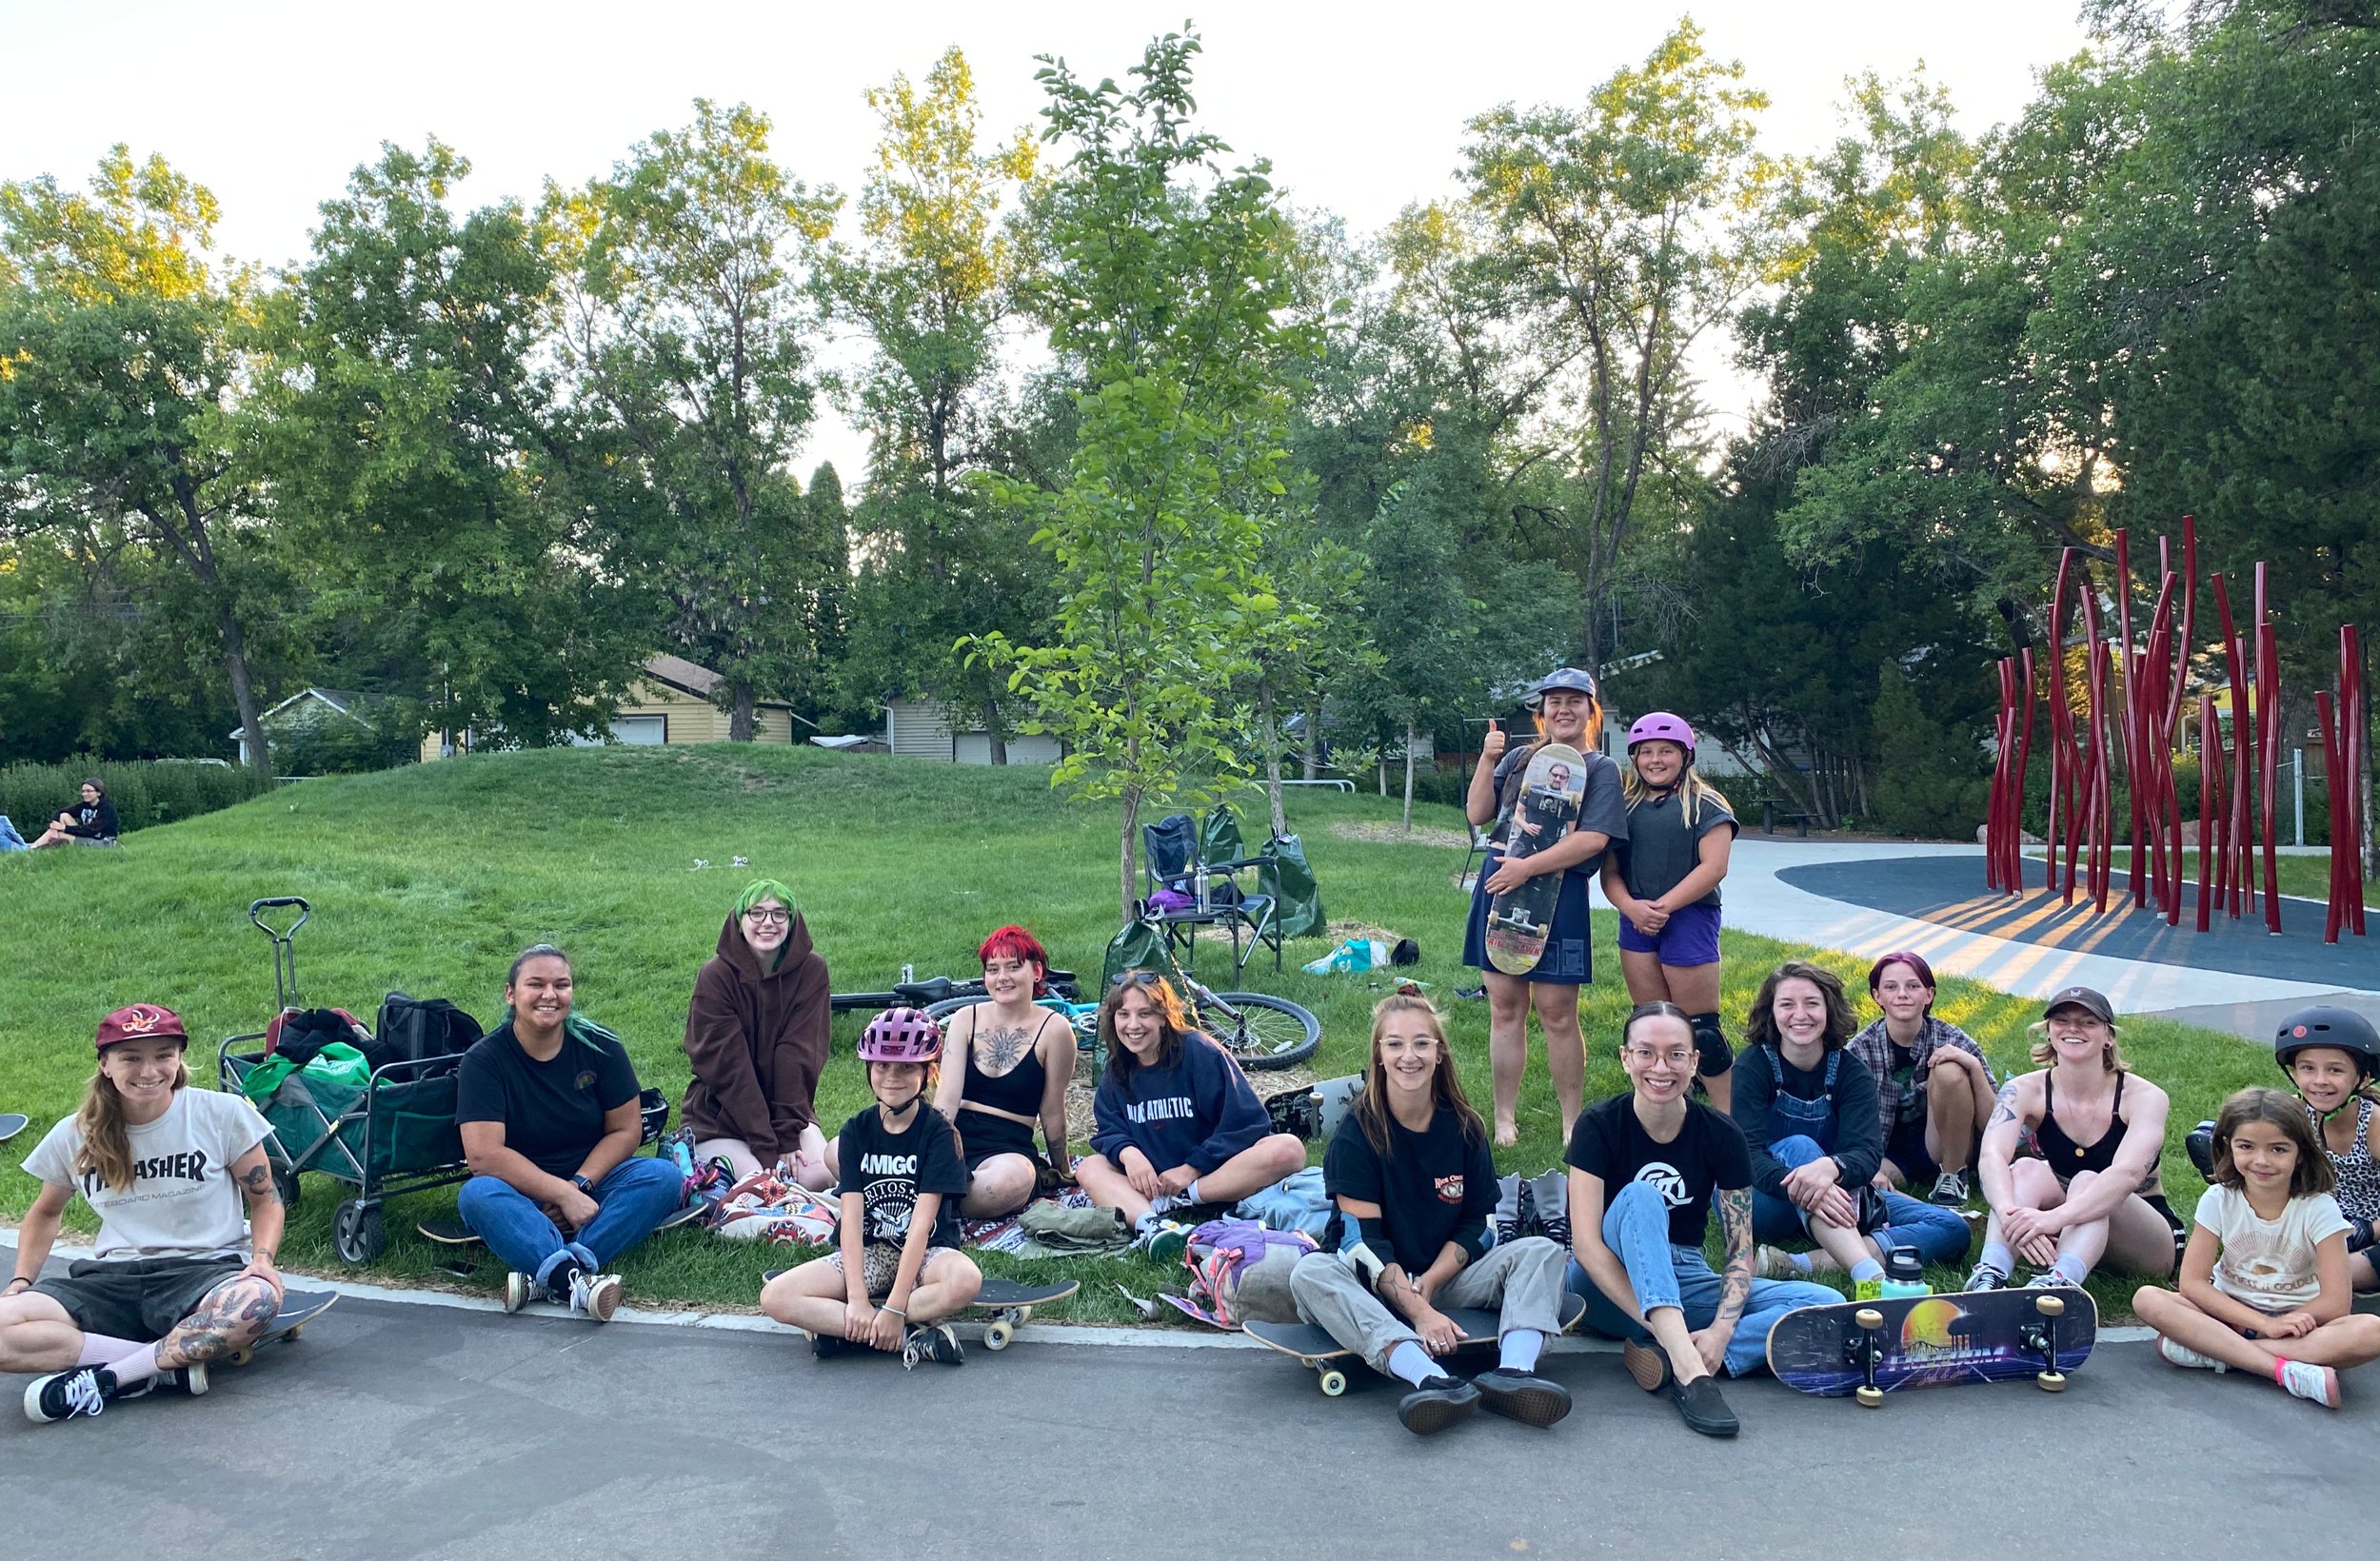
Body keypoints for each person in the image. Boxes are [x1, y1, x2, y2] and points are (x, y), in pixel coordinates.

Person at [1288, 993, 1574, 1436]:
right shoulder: (1356, 1133)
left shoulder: (1464, 1126)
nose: (1409, 1056)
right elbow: (1360, 1246)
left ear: (1440, 1054)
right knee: (1309, 1273)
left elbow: (1482, 1225)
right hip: (1375, 1291)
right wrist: (1419, 1311)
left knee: (1541, 1250)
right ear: (1379, 1056)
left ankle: (1513, 1375)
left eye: (1422, 1044)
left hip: (1443, 1281)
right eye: (1395, 1045)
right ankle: (1431, 1378)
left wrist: (1433, 1284)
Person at [1565, 1002, 1840, 1438]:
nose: (1661, 1067)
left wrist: (1721, 1331)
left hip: (1684, 1275)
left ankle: (1695, 1354)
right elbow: (1585, 1246)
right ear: (1625, 1058)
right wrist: (1659, 1321)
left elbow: (1739, 1251)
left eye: (1676, 1054)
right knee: (1640, 1196)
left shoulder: (1721, 1134)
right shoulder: (1598, 1125)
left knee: (1823, 1301)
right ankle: (1691, 1371)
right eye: (1646, 1053)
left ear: (1695, 1062)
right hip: (1604, 1284)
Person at [3, 1005, 286, 1423]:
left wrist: (261, 1262)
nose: (149, 1070)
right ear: (105, 1064)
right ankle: (164, 1367)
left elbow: (265, 1198)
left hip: (202, 1274)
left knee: (256, 1301)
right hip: (110, 1281)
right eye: (131, 1057)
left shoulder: (221, 1114)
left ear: (179, 1059)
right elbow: (45, 1213)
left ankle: (112, 1378)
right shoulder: (75, 1134)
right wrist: (20, 1283)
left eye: (163, 1055)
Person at [456, 944, 686, 1322]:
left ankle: (547, 1272)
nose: (550, 995)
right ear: (511, 994)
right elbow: (483, 1156)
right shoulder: (484, 1060)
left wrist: (578, 1187)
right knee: (477, 1194)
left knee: (663, 1177)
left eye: (561, 985)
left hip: (592, 1184)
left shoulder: (601, 1047)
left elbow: (626, 1129)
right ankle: (575, 1280)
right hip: (521, 1192)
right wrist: (560, 1193)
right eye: (536, 984)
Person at [2132, 1087, 2380, 1409]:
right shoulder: (2219, 1198)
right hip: (2228, 1315)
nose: (2261, 1161)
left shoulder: (2319, 1208)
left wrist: (2282, 1325)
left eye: (2278, 1149)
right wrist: (2262, 1324)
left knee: (2371, 1331)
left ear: (2301, 1152)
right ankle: (2285, 1370)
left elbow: (2335, 1304)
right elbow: (2193, 1283)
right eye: (2246, 1146)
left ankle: (2216, 1353)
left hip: (2299, 1326)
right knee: (2148, 1299)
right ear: (2227, 1146)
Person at [1463, 667, 1629, 1147]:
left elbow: (1593, 841)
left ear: (1590, 711)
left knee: (1558, 1012)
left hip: (1560, 896)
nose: (1563, 709)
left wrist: (1528, 867)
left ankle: (1572, 1123)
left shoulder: (1600, 770)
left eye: (1575, 701)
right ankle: (1504, 1120)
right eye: (1554, 701)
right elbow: (1478, 814)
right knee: (1504, 1006)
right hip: (1500, 887)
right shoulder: (1517, 758)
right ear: (1542, 713)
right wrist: (1484, 760)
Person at [1733, 962, 1972, 1294]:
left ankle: (1799, 1263)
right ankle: (1869, 1276)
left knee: (1951, 1227)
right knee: (1801, 1146)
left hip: (1838, 1196)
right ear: (1771, 1013)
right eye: (1787, 1004)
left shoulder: (1850, 1071)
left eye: (1811, 1003)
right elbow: (1747, 1157)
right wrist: (1811, 1184)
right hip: (1760, 1200)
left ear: (1828, 1009)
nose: (1799, 1014)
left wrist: (1829, 1167)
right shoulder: (1752, 1067)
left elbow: (1866, 1153)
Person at [761, 1009, 981, 1366]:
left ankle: (859, 1329)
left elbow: (922, 1227)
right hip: (871, 1251)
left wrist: (894, 1306)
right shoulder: (856, 1131)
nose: (892, 1077)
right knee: (775, 1296)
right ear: (868, 1069)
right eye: (881, 1066)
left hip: (926, 1254)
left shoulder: (938, 1133)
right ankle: (906, 1335)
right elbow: (850, 1220)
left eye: (907, 1067)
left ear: (929, 1071)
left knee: (966, 1280)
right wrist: (860, 1300)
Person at [1966, 985, 2179, 1291]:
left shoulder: (2144, 1097)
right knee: (2024, 1169)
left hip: (2145, 1238)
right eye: (2062, 1021)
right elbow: (1992, 1156)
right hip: (2069, 1226)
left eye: (2088, 1022)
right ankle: (1990, 1273)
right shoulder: (2025, 1090)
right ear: (2049, 1032)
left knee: (2088, 1181)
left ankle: (2059, 1285)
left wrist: (2052, 1220)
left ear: (2108, 1037)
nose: (2073, 1029)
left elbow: (2128, 1174)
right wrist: (2008, 1213)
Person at [1076, 971, 1306, 1255]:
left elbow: (1248, 1124)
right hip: (1154, 1184)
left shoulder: (1200, 1052)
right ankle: (1153, 1226)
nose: (1133, 1025)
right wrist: (1128, 1153)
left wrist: (1190, 1171)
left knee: (1288, 1149)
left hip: (1214, 1175)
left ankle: (1183, 1200)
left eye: (1144, 1013)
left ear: (1163, 1016)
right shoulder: (1117, 1068)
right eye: (1123, 1015)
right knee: (1089, 1167)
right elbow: (1109, 1129)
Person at [1599, 712, 1737, 1111]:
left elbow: (1714, 866)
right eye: (1646, 752)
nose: (1655, 760)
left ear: (1685, 755)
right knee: (1653, 1025)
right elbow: (1610, 872)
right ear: (1634, 758)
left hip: (1689, 918)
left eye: (1666, 751)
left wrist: (1663, 907)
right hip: (1636, 920)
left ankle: (1728, 1119)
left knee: (1701, 1030)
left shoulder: (1705, 804)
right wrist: (1631, 908)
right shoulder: (1623, 807)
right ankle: (1663, 1110)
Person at [681, 879, 834, 1190]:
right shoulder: (716, 977)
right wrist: (767, 1149)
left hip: (787, 1115)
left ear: (792, 922)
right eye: (757, 913)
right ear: (740, 920)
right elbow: (729, 1070)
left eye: (780, 914)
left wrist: (788, 1136)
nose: (768, 923)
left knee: (820, 1178)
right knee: (765, 1185)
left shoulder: (812, 971)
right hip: (720, 1117)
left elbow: (799, 1055)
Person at [932, 924, 1073, 1218]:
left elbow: (1052, 1111)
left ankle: (925, 1201)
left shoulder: (1054, 1030)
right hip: (954, 1138)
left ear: (1036, 972)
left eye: (1013, 967)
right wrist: (933, 1153)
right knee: (841, 1151)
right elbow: (945, 1102)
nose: (1002, 978)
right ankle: (940, 1199)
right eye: (993, 969)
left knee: (1009, 1183)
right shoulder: (964, 1019)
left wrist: (1062, 1170)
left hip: (1005, 1148)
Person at [1844, 951, 1995, 1207]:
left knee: (1949, 1069)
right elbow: (1845, 1120)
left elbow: (1997, 1124)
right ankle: (1923, 1212)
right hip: (1889, 1150)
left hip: (1946, 1142)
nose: (1902, 994)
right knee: (1859, 1185)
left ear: (1929, 995)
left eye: (1913, 986)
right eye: (1891, 987)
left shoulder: (1953, 1039)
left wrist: (1973, 1067)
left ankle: (1952, 1180)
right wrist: (1866, 1167)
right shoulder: (1860, 1050)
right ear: (1876, 995)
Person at [2269, 1006, 2380, 1293]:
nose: (2319, 1080)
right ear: (2293, 1072)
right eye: (2307, 1068)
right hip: (2319, 1226)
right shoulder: (2292, 1113)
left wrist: (2368, 1231)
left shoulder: (2374, 1123)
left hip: (2372, 1234)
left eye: (2335, 1069)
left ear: (2363, 1076)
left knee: (2312, 1278)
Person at [30, 779, 119, 849]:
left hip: (102, 842)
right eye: (83, 791)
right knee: (64, 815)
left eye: (88, 791)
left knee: (60, 836)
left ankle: (30, 849)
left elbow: (91, 830)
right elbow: (61, 811)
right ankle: (35, 847)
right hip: (87, 837)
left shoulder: (106, 809)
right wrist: (54, 826)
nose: (84, 794)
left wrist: (64, 828)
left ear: (99, 792)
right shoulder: (85, 805)